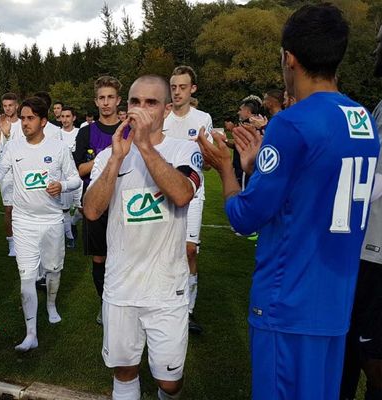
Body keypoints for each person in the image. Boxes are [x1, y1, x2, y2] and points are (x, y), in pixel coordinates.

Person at [197, 5, 379, 399]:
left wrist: (227, 170)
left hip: (288, 303)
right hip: (334, 304)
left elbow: (245, 217)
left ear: (289, 58)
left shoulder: (291, 122)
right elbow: (310, 188)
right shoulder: (362, 119)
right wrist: (258, 167)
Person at [84, 75, 202, 400]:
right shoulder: (111, 154)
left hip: (167, 289)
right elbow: (91, 210)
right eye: (135, 102)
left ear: (166, 109)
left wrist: (145, 147)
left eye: (151, 103)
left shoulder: (185, 150)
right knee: (124, 370)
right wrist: (117, 159)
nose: (141, 109)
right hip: (121, 287)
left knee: (169, 381)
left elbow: (181, 194)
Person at [0, 97, 82, 352]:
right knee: (26, 276)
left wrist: (61, 185)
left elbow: (75, 180)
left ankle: (51, 304)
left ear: (43, 121)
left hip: (52, 221)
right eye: (23, 118)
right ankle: (31, 334)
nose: (25, 123)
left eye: (30, 118)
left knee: (53, 270)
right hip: (23, 222)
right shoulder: (14, 148)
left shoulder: (58, 148)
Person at [340, 24, 382, 400]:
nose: (375, 50)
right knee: (354, 341)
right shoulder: (380, 105)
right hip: (366, 246)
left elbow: (374, 185)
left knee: (371, 348)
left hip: (378, 253)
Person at [164, 65, 213, 335]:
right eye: (173, 87)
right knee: (166, 250)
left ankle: (188, 308)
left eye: (183, 87)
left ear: (192, 89)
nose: (177, 92)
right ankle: (167, 302)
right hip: (165, 193)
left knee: (189, 250)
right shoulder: (163, 119)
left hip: (194, 192)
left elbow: (206, 165)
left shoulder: (203, 118)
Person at [73, 76, 125, 325]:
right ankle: (104, 304)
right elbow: (78, 170)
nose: (106, 103)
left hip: (123, 203)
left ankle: (123, 303)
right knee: (100, 258)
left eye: (110, 97)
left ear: (118, 100)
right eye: (101, 98)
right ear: (96, 101)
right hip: (95, 205)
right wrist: (105, 157)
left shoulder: (128, 130)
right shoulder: (86, 133)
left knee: (124, 256)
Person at [0, 92, 24, 257]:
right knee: (8, 209)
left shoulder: (23, 124)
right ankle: (11, 242)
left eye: (10, 105)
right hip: (6, 173)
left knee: (25, 206)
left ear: (17, 105)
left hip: (22, 170)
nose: (7, 108)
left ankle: (24, 238)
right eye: (5, 106)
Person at [59, 106, 81, 248]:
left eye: (68, 116)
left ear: (73, 118)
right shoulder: (57, 134)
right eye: (63, 116)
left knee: (83, 208)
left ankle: (73, 223)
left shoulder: (80, 133)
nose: (65, 119)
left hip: (80, 174)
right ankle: (69, 237)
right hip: (64, 178)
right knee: (65, 209)